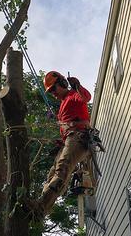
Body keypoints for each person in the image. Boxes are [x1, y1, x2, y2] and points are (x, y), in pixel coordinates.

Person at [36, 70, 94, 214]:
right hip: (68, 139)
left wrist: (77, 87)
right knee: (51, 174)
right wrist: (61, 141)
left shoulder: (73, 95)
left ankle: (41, 206)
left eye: (53, 88)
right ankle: (42, 205)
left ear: (62, 83)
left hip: (79, 136)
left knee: (63, 167)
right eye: (50, 91)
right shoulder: (62, 105)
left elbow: (86, 97)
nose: (53, 93)